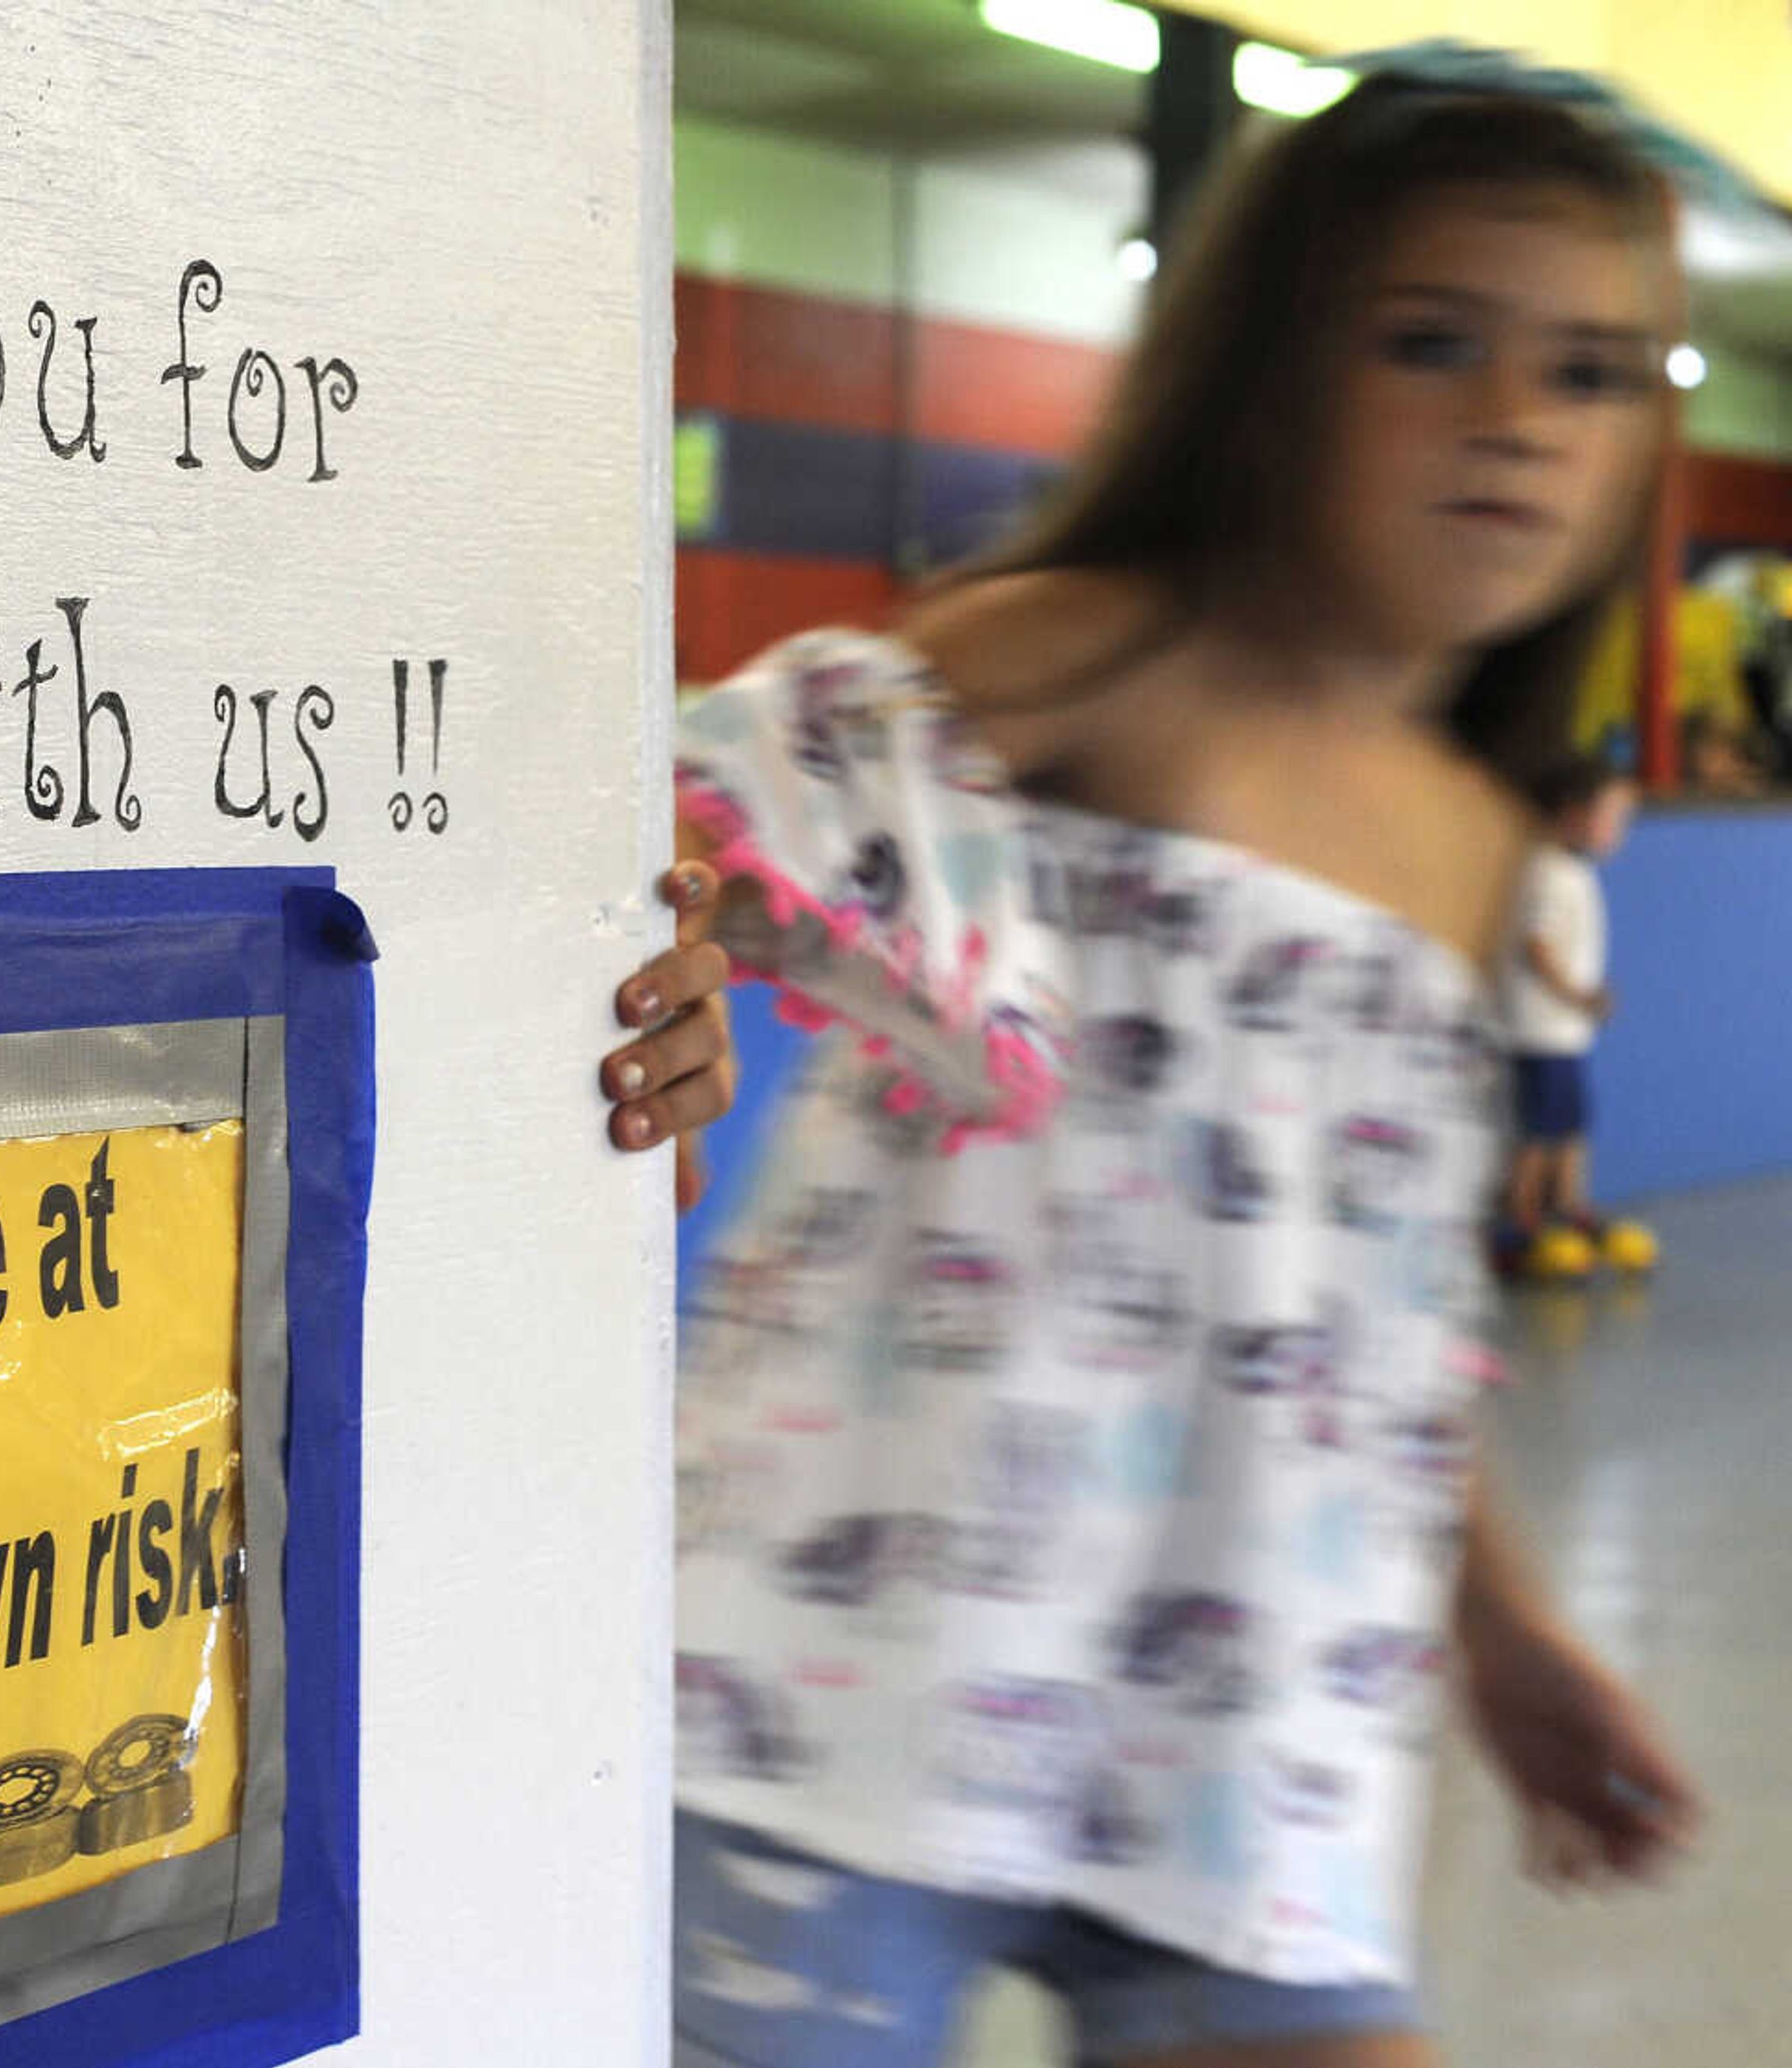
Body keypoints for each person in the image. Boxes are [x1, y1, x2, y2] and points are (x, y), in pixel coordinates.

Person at [601, 81, 1704, 2068]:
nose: (1517, 419)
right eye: (1432, 341)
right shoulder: (1108, 654)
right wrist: (668, 958)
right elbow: (711, 801)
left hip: (1251, 1737)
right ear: (1269, 379)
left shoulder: (1477, 846)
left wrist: (1503, 1627)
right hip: (848, 1686)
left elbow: (1360, 1319)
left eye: (1593, 370)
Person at [1498, 756, 1637, 1268]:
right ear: (1575, 815)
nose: (1620, 829)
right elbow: (1537, 946)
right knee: (1539, 1129)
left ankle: (1569, 1207)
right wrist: (1579, 997)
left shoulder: (1572, 871)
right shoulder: (1548, 871)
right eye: (1613, 816)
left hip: (1566, 1032)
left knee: (1572, 1122)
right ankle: (1519, 1220)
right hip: (1541, 1030)